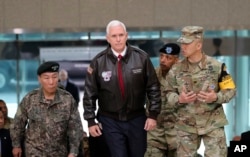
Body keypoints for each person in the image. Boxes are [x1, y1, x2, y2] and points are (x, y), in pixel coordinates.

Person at [83, 20, 161, 157]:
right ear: (108, 38)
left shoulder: (141, 58)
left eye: (121, 35)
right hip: (110, 120)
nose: (118, 39)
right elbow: (90, 93)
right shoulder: (98, 62)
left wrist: (153, 115)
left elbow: (153, 87)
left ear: (127, 36)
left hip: (136, 118)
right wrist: (90, 120)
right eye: (114, 36)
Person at [165, 26, 236, 157]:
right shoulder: (175, 70)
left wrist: (216, 97)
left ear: (198, 45)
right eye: (182, 43)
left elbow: (230, 90)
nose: (183, 47)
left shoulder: (217, 66)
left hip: (212, 124)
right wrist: (179, 99)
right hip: (186, 125)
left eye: (187, 43)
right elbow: (168, 93)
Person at [10, 61, 83, 157]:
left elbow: (75, 128)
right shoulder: (30, 99)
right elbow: (18, 123)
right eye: (46, 78)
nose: (51, 82)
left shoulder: (67, 99)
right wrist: (16, 145)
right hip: (34, 152)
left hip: (59, 152)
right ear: (39, 79)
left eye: (54, 77)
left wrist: (73, 152)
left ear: (58, 78)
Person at [144, 43, 180, 157]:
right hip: (155, 133)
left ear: (176, 60)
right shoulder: (152, 75)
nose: (163, 60)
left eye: (168, 58)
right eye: (161, 56)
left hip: (177, 133)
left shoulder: (183, 77)